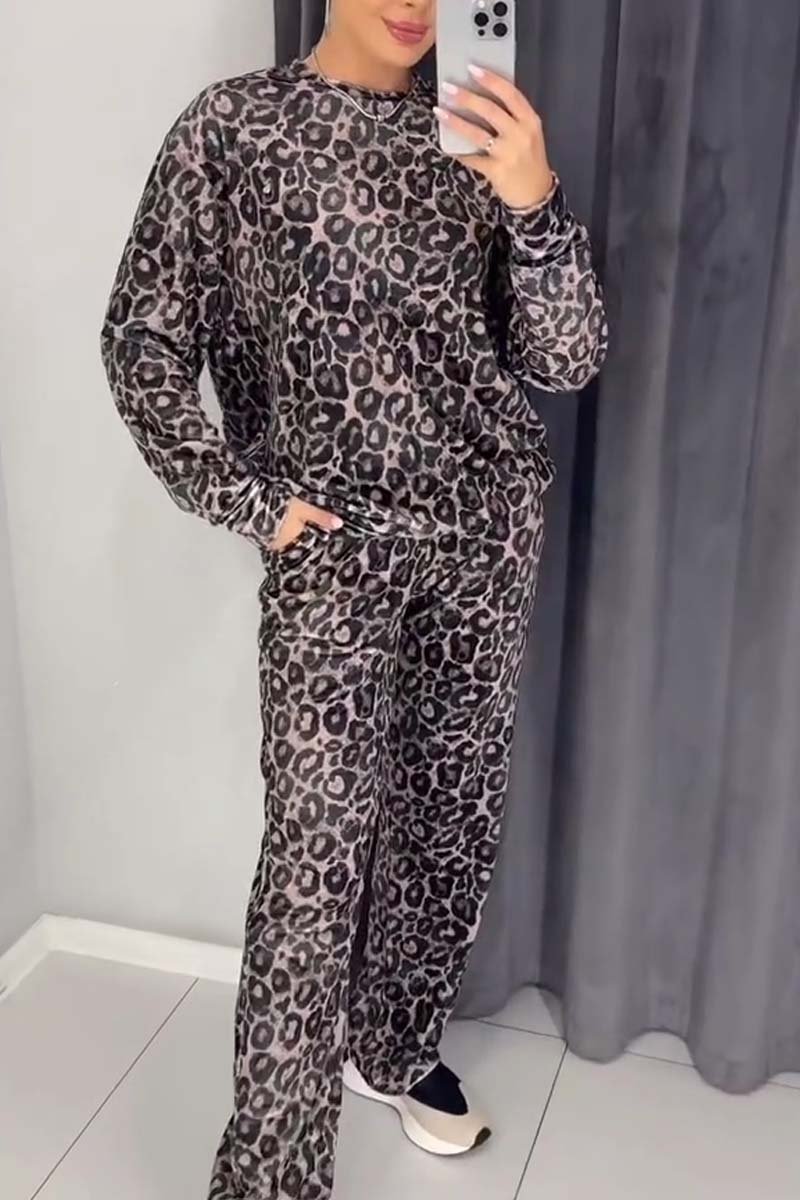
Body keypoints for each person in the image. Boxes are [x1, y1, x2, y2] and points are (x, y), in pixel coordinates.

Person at [100, 1, 609, 1196]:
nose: (416, 3)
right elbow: (143, 341)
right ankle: (271, 1177)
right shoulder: (236, 128)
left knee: (447, 818)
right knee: (314, 857)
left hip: (483, 539)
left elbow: (567, 358)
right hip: (334, 551)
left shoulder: (481, 130)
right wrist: (244, 499)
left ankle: (391, 1047)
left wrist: (531, 202)